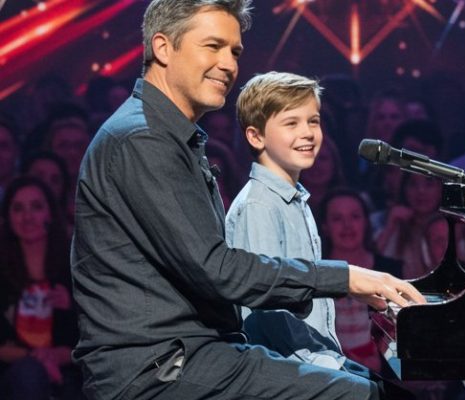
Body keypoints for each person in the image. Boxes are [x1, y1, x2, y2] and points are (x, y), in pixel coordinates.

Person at [70, 1, 424, 400]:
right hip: (157, 369)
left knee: (383, 390)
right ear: (163, 47)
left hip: (195, 355)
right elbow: (217, 270)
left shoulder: (165, 136)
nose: (228, 65)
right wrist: (345, 279)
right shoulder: (143, 139)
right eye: (213, 46)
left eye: (234, 52)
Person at [226, 70, 349, 371]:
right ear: (256, 136)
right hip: (289, 366)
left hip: (313, 357)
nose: (307, 132)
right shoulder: (259, 205)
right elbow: (268, 303)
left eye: (313, 121)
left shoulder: (293, 199)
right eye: (291, 123)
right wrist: (325, 367)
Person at [0, 176, 80, 400]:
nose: (28, 217)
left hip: (70, 370)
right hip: (13, 374)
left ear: (50, 214)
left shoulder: (75, 266)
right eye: (18, 208)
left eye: (36, 207)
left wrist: (71, 306)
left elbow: (93, 338)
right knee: (29, 375)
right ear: (8, 217)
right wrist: (38, 358)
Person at [318, 188, 403, 372]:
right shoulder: (315, 275)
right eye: (337, 218)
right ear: (325, 226)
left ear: (366, 222)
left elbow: (403, 337)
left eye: (355, 216)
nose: (347, 226)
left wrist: (382, 364)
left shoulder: (392, 271)